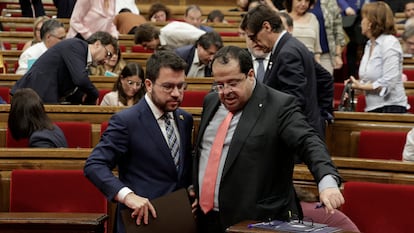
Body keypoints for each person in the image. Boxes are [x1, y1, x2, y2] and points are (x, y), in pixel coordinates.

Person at [194, 46, 343, 233]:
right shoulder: (211, 101)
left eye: (233, 83)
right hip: (206, 218)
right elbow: (205, 152)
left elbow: (308, 141)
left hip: (255, 220)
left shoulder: (279, 106)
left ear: (250, 75)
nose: (226, 91)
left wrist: (326, 181)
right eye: (220, 84)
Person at [84, 50, 194, 233]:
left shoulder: (185, 119)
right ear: (149, 85)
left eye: (181, 86)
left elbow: (179, 170)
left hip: (178, 219)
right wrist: (127, 196)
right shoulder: (127, 121)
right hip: (141, 222)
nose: (176, 93)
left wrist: (191, 190)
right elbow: (94, 165)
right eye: (168, 86)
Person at [240, 4, 330, 138]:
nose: (255, 43)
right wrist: (321, 115)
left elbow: (293, 101)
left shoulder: (287, 53)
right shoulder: (293, 45)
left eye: (254, 37)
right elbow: (324, 77)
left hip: (297, 136)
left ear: (267, 27)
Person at [11, 31, 118, 105]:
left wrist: (80, 96)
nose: (106, 60)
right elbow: (80, 79)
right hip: (30, 96)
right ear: (97, 44)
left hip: (40, 97)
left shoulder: (81, 56)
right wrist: (94, 93)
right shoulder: (77, 46)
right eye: (108, 54)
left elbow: (66, 82)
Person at [345, 2, 408, 113]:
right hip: (373, 107)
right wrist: (355, 84)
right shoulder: (369, 44)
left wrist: (362, 86)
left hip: (391, 108)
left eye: (363, 18)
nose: (361, 22)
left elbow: (389, 82)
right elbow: (370, 79)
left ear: (371, 22)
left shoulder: (390, 43)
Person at [309, 0, 346, 75]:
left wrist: (337, 55)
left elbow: (338, 28)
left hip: (326, 54)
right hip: (305, 54)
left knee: (325, 84)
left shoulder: (330, 2)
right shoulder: (300, 2)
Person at [134, 22, 205, 50]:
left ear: (151, 38)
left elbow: (202, 36)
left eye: (145, 45)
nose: (145, 49)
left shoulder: (170, 33)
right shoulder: (159, 47)